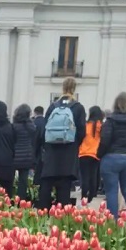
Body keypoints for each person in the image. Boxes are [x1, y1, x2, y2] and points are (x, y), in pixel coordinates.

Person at [37, 78, 87, 209]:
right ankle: (60, 216)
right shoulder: (78, 108)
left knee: (46, 184)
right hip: (69, 153)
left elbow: (44, 130)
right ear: (74, 88)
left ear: (62, 88)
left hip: (51, 152)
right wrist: (74, 144)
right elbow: (82, 132)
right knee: (65, 187)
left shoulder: (53, 106)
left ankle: (43, 212)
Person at [98, 92, 126, 219]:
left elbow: (105, 140)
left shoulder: (110, 120)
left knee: (111, 191)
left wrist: (100, 154)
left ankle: (113, 221)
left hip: (111, 158)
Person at [11, 104, 37, 200]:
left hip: (14, 155)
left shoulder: (13, 126)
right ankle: (21, 200)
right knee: (23, 181)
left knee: (11, 179)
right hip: (26, 156)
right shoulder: (31, 127)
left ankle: (10, 198)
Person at [78, 105, 104, 203]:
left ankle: (84, 196)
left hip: (83, 153)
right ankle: (92, 195)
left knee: (84, 176)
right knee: (93, 176)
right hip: (95, 154)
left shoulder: (86, 125)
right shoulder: (100, 126)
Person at [31, 106, 47, 176]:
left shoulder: (33, 122)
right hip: (44, 150)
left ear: (35, 112)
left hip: (34, 150)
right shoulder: (46, 121)